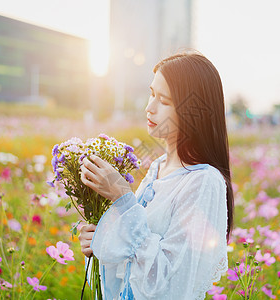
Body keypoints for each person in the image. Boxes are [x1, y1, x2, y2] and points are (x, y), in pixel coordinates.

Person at [79, 51, 234, 300]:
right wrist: (101, 240)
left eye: (164, 100)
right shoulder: (158, 167)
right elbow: (133, 258)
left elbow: (170, 283)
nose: (149, 108)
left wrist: (123, 198)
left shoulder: (204, 181)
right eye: (152, 94)